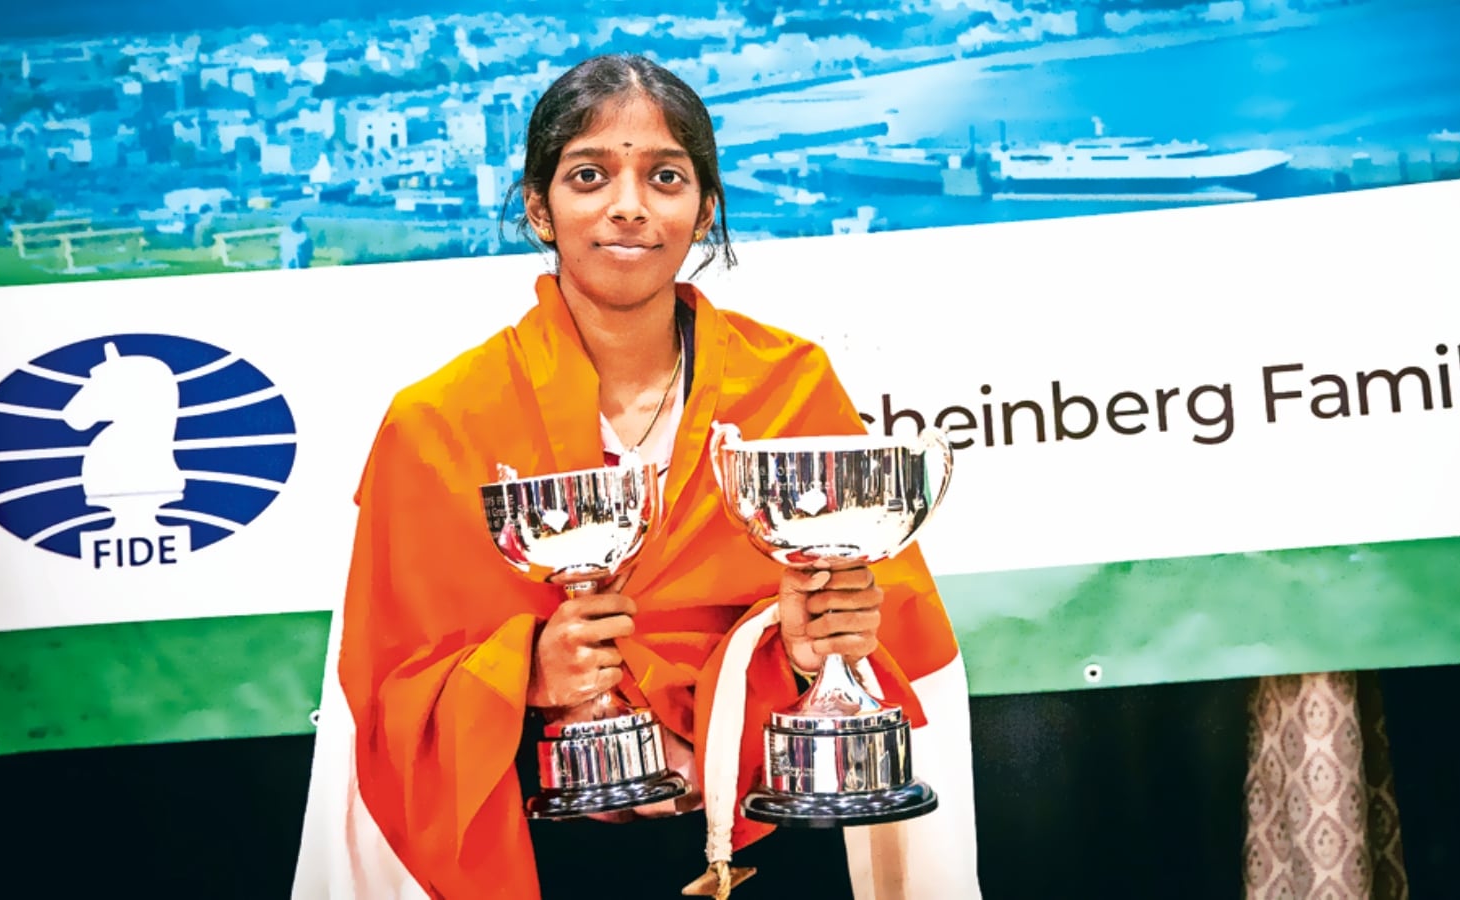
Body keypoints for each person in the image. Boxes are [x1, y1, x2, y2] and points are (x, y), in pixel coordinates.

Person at [333, 54, 980, 900]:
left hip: (773, 834)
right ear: (539, 206)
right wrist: (525, 673)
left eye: (665, 176)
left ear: (704, 209)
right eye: (590, 174)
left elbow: (890, 639)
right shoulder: (438, 424)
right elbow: (387, 695)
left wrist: (815, 637)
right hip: (552, 856)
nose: (628, 206)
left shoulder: (789, 385)